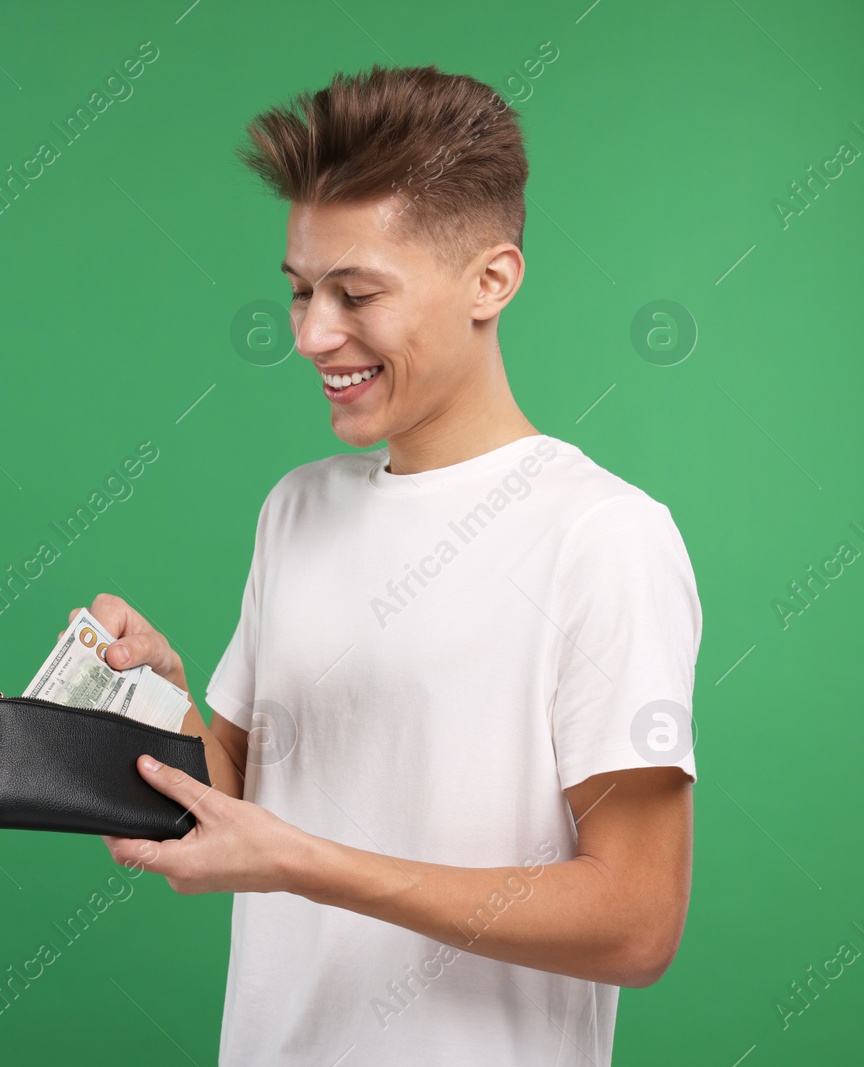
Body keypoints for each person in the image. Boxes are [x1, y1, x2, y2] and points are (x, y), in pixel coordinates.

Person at [72, 64, 700, 1066]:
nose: (313, 333)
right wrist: (158, 698)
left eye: (357, 293)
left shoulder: (603, 536)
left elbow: (634, 921)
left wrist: (309, 865)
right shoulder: (298, 509)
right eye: (300, 290)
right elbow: (231, 795)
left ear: (490, 280)